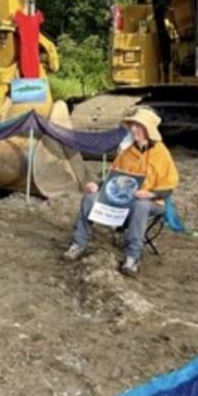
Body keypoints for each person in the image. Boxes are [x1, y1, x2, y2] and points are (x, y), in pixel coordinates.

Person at [62, 108, 179, 277]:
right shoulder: (127, 152)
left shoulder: (161, 154)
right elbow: (113, 178)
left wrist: (151, 194)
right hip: (121, 199)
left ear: (149, 130)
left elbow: (168, 189)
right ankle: (78, 244)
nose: (133, 130)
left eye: (138, 126)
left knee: (141, 205)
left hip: (153, 201)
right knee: (90, 198)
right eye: (132, 126)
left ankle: (132, 257)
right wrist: (97, 185)